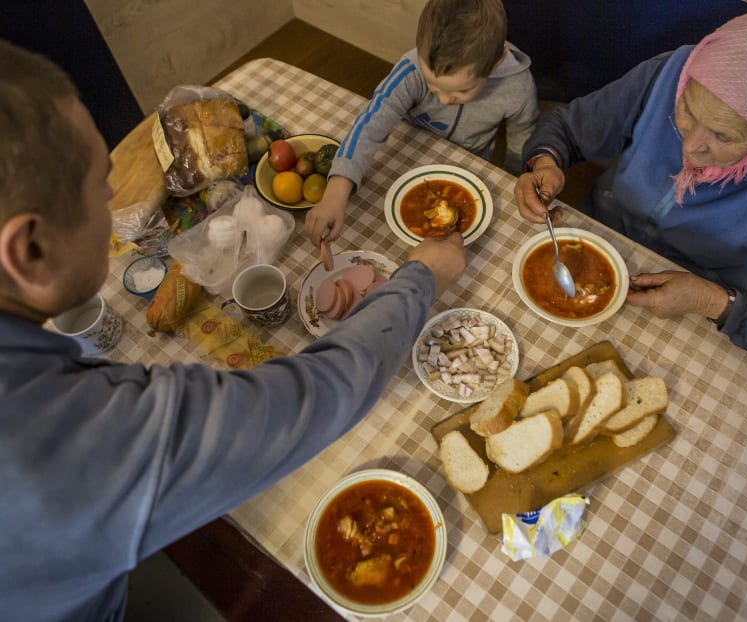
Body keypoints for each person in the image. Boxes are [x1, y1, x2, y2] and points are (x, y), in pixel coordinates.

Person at [0, 40, 466, 621]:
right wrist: (421, 277)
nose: (115, 199)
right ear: (30, 249)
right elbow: (317, 393)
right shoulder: (61, 439)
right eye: (101, 184)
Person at [514, 11, 747, 367]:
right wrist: (545, 162)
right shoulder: (672, 73)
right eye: (686, 110)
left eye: (722, 135)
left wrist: (710, 302)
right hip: (594, 240)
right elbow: (569, 129)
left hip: (695, 300)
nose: (690, 147)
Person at [304, 0, 539, 247]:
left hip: (471, 174)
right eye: (432, 86)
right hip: (406, 163)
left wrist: (519, 180)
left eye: (461, 91)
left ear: (497, 61)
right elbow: (370, 123)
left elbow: (523, 142)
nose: (444, 99)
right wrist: (335, 193)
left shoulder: (518, 87)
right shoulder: (411, 70)